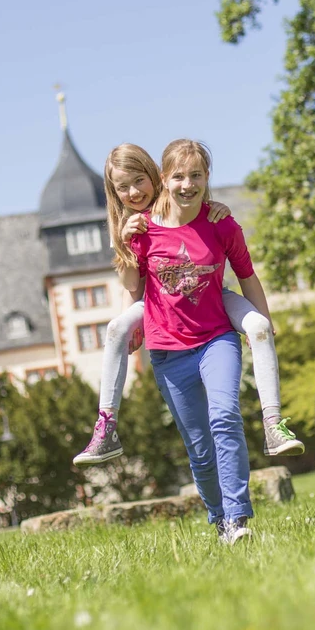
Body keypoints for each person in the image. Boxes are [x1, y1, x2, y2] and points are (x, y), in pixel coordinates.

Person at [72, 143, 303, 467]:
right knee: (116, 327)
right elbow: (132, 284)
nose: (133, 192)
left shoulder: (182, 198)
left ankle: (274, 424)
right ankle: (106, 424)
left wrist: (214, 205)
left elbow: (201, 213)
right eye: (122, 187)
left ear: (156, 176)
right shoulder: (129, 224)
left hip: (208, 291)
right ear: (113, 191)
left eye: (139, 181)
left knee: (260, 325)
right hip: (156, 300)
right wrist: (131, 319)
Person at [121, 139, 265, 543]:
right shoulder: (144, 229)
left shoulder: (222, 224)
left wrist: (263, 329)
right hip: (167, 352)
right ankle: (219, 519)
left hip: (217, 338)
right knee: (200, 449)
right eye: (179, 176)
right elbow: (133, 289)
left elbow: (247, 277)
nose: (188, 184)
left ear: (206, 178)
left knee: (225, 417)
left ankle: (238, 518)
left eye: (196, 175)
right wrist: (125, 240)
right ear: (164, 180)